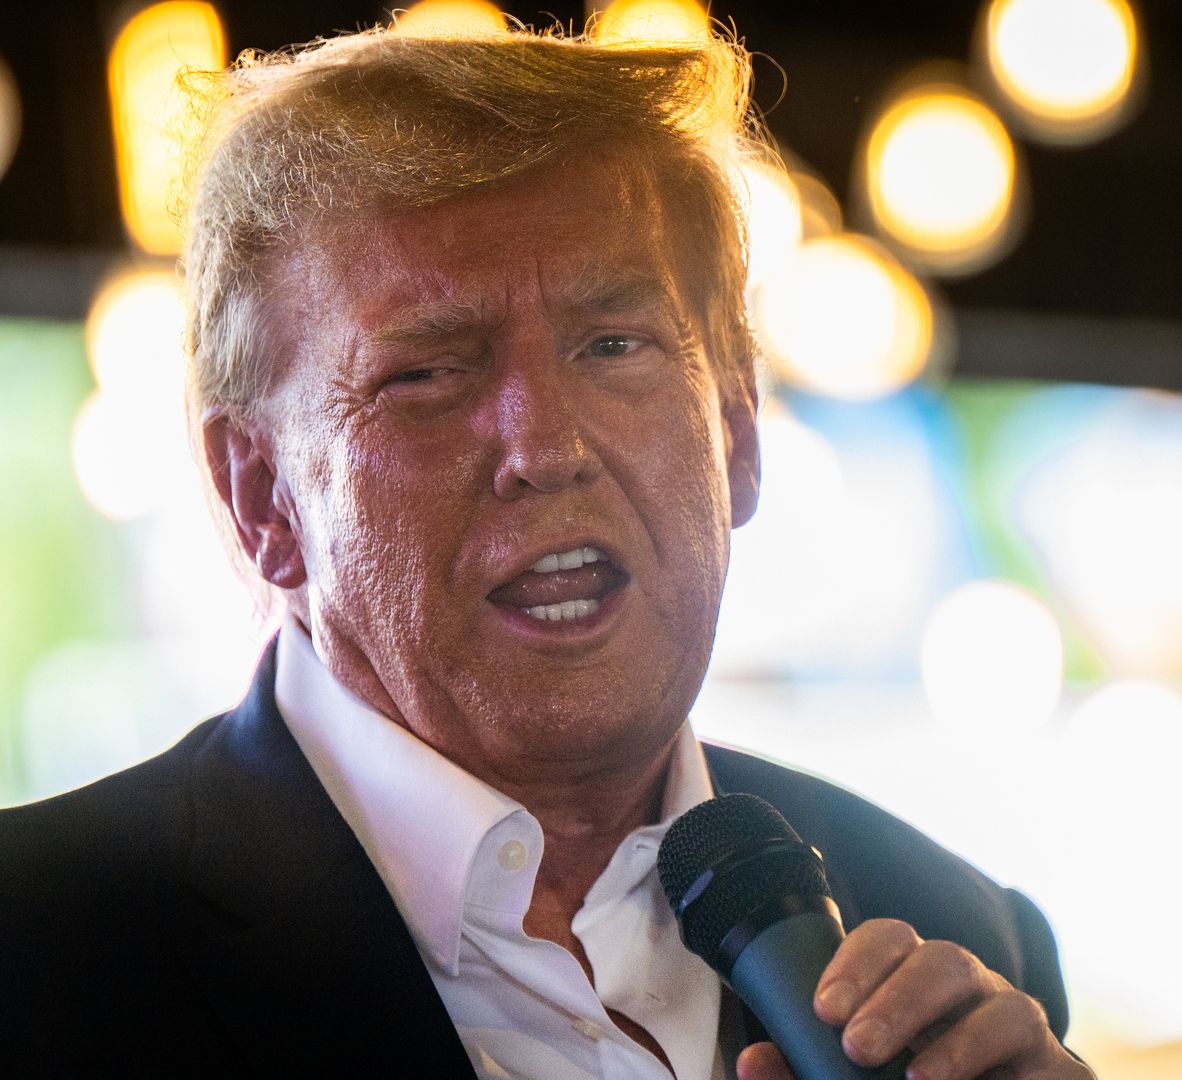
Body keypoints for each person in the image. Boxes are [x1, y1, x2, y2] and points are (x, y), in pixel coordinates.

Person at [0, 26, 1091, 1080]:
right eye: (427, 373)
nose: (548, 449)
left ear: (738, 430)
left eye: (614, 345)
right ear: (262, 498)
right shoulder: (40, 958)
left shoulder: (955, 934)